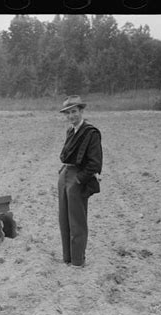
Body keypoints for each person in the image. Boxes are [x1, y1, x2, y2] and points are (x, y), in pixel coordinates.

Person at [57, 95, 102, 268]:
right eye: (67, 113)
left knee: (77, 221)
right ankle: (67, 258)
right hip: (65, 175)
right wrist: (64, 174)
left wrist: (79, 179)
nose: (71, 116)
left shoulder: (91, 133)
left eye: (74, 112)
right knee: (64, 220)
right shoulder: (70, 131)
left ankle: (77, 261)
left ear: (81, 111)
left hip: (77, 177)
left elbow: (95, 163)